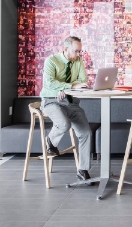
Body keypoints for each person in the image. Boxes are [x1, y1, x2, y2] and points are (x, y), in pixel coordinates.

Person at [40, 36, 94, 185]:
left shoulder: (78, 61)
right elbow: (49, 83)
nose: (79, 54)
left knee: (85, 133)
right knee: (64, 124)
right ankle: (50, 140)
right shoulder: (51, 61)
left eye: (80, 51)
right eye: (76, 51)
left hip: (71, 102)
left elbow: (83, 82)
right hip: (52, 101)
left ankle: (83, 170)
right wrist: (68, 86)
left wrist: (64, 88)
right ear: (65, 49)